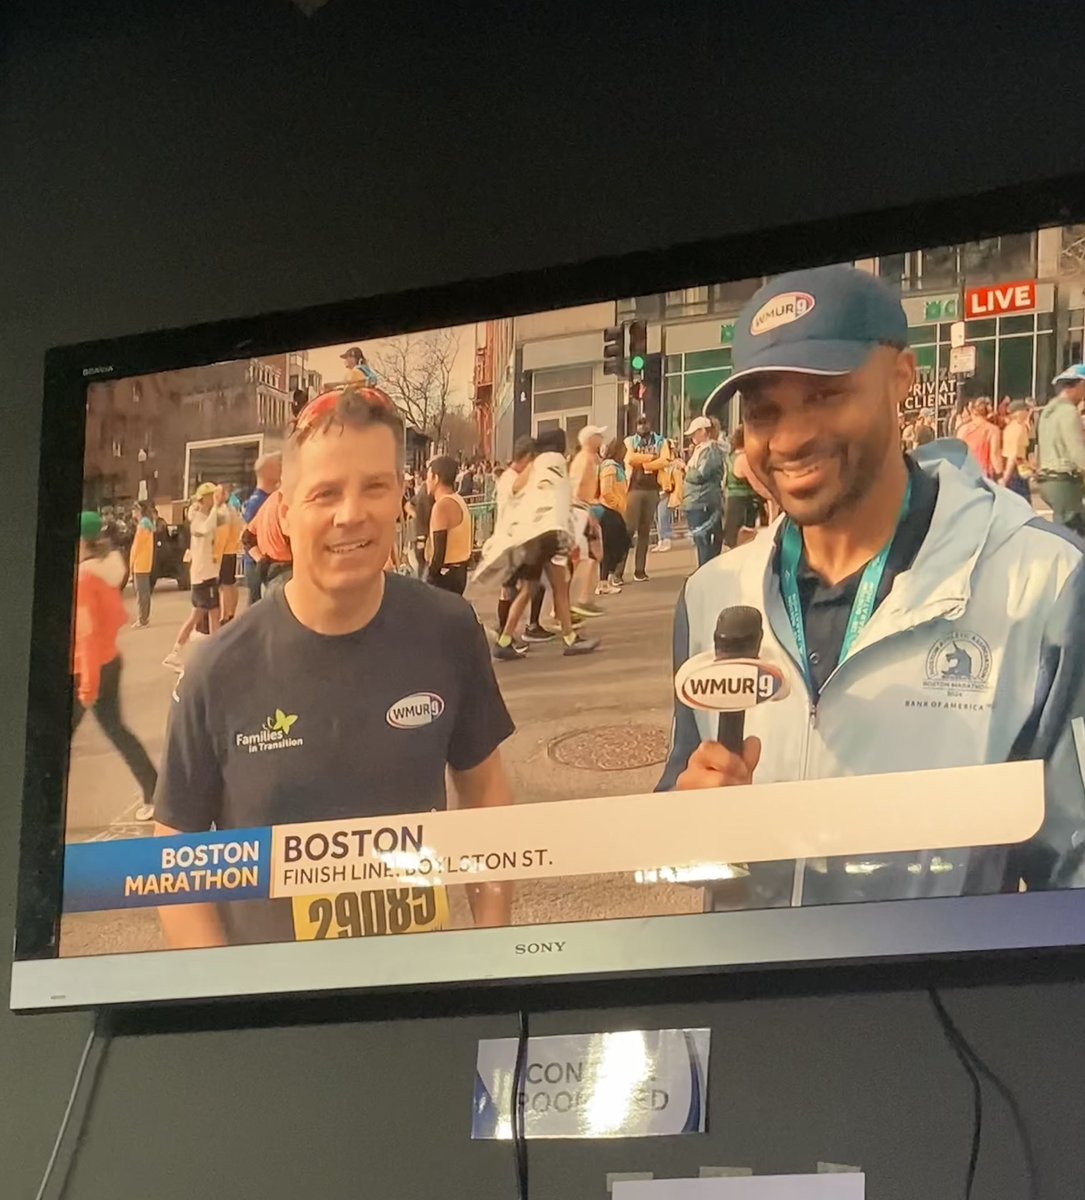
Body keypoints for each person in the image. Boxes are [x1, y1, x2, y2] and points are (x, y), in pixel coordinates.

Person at [661, 263, 1085, 909]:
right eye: (765, 411)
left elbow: (1073, 866)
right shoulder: (715, 594)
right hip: (754, 992)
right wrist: (691, 829)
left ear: (900, 378)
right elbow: (688, 819)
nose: (791, 438)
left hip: (941, 999)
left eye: (825, 395)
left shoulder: (1043, 582)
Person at [152, 386, 515, 948]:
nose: (353, 514)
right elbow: (177, 858)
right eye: (326, 494)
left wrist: (492, 951)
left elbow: (485, 791)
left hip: (416, 993)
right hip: (275, 1012)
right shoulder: (217, 672)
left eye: (375, 486)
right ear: (287, 512)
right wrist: (226, 1006)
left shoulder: (448, 630)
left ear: (400, 497)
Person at [483, 428, 599, 659]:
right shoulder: (549, 467)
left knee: (543, 586)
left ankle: (562, 638)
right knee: (545, 587)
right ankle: (564, 639)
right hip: (542, 536)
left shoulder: (533, 468)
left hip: (533, 536)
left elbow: (518, 490)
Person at [74, 512, 158, 822]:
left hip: (87, 668)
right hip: (107, 660)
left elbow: (85, 635)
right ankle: (154, 788)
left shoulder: (84, 579)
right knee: (116, 729)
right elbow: (113, 619)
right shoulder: (104, 571)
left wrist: (87, 685)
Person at [163, 483, 221, 671]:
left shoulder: (205, 514)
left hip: (208, 573)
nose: (214, 499)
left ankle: (209, 654)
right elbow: (205, 529)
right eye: (211, 496)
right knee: (203, 615)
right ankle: (177, 653)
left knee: (207, 615)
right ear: (203, 498)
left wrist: (221, 505)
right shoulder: (197, 518)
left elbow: (225, 519)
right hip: (203, 575)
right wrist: (216, 507)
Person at [618, 415, 672, 583]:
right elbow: (630, 458)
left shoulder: (660, 441)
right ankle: (617, 572)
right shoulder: (630, 441)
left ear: (650, 424)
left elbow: (665, 460)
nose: (642, 426)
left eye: (645, 422)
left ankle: (640, 570)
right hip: (634, 489)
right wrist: (651, 458)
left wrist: (645, 464)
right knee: (629, 530)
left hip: (652, 489)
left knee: (644, 531)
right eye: (639, 423)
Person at [1035, 364, 1085, 535]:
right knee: (1072, 535)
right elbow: (1077, 450)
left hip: (1048, 480)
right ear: (1079, 385)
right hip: (1064, 481)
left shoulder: (1048, 411)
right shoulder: (1069, 412)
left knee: (1066, 530)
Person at [568, 424, 606, 618]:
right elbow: (576, 489)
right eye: (599, 435)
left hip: (582, 509)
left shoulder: (590, 459)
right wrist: (588, 514)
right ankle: (576, 601)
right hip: (580, 511)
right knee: (584, 557)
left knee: (592, 556)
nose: (602, 438)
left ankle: (584, 599)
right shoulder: (584, 460)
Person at [425, 455, 473, 595]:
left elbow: (439, 552)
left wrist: (430, 577)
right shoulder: (458, 500)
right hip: (458, 572)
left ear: (436, 478)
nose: (426, 482)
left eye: (428, 477)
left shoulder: (443, 505)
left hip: (446, 575)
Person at [682, 415, 725, 567]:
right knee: (702, 541)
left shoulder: (710, 450)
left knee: (705, 541)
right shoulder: (702, 450)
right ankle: (705, 570)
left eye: (694, 433)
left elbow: (701, 474)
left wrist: (685, 469)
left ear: (703, 431)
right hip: (697, 501)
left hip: (703, 501)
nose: (692, 437)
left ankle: (706, 571)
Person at [241, 452, 282, 604]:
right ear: (269, 471)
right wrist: (261, 560)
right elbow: (247, 536)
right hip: (260, 567)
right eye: (278, 465)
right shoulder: (257, 502)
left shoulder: (270, 498)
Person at [722, 425, 770, 549]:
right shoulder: (743, 459)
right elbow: (758, 486)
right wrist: (774, 496)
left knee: (733, 541)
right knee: (743, 543)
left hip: (732, 502)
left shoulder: (731, 457)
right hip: (743, 506)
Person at [595, 436, 631, 594]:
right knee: (611, 546)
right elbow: (607, 490)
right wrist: (617, 505)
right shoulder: (610, 468)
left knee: (618, 545)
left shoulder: (617, 467)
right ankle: (603, 581)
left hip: (615, 509)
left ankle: (606, 579)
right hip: (609, 510)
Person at [214, 485, 244, 623]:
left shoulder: (223, 512)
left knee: (225, 585)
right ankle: (231, 611)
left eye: (219, 493)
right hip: (232, 550)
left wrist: (216, 554)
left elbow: (222, 535)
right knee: (231, 583)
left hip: (225, 552)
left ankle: (226, 614)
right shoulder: (233, 509)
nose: (216, 496)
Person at [957, 398, 1004, 480]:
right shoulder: (992, 430)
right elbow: (995, 456)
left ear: (972, 411)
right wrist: (1000, 476)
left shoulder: (963, 429)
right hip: (983, 474)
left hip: (964, 472)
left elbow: (957, 452)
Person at [128, 502, 156, 628]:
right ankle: (145, 617)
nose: (133, 511)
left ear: (139, 511)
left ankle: (142, 619)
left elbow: (136, 547)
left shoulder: (142, 526)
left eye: (134, 509)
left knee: (141, 593)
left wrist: (131, 562)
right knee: (145, 592)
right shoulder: (147, 524)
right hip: (145, 562)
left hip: (139, 563)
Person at [1000, 399, 1033, 501]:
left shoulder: (1011, 427)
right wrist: (1005, 479)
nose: (1028, 412)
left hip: (1018, 470)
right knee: (1022, 505)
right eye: (1026, 410)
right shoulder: (1018, 429)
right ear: (1019, 412)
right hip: (1015, 473)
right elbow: (1012, 456)